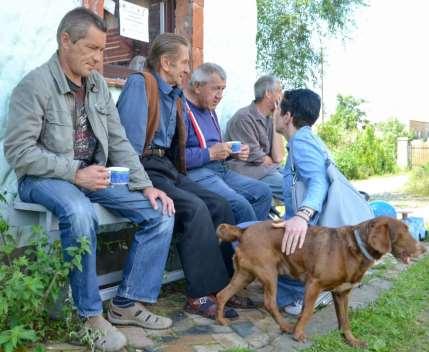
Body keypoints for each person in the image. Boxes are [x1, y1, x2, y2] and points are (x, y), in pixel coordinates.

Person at [4, 7, 175, 351]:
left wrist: (145, 184)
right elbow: (19, 152)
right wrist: (75, 173)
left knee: (159, 212)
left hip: (92, 176)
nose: (98, 59)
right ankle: (89, 316)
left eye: (102, 50)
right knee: (79, 212)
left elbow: (120, 141)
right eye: (92, 49)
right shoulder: (35, 85)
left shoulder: (96, 86)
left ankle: (126, 302)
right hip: (43, 179)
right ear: (65, 41)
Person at [117, 33, 251, 320]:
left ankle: (227, 288)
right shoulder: (141, 85)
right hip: (143, 167)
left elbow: (175, 148)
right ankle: (199, 293)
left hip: (165, 167)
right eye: (184, 62)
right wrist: (141, 184)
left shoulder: (175, 96)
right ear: (165, 62)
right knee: (194, 208)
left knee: (220, 206)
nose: (188, 69)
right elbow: (127, 146)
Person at [184, 63, 272, 224]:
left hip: (219, 170)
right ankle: (246, 246)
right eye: (215, 88)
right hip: (196, 172)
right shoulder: (181, 110)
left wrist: (231, 151)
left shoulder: (210, 110)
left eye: (223, 89)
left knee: (263, 192)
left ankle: (246, 241)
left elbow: (214, 148)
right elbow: (175, 156)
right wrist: (210, 153)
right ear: (197, 86)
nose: (219, 95)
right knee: (240, 205)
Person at [272, 88, 332, 316]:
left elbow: (319, 182)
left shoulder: (302, 141)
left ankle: (309, 290)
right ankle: (317, 284)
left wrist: (301, 216)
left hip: (312, 236)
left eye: (278, 109)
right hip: (317, 235)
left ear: (288, 117)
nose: (274, 114)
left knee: (243, 235)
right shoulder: (308, 139)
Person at [225, 75, 285, 200]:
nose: (282, 95)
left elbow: (278, 157)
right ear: (268, 93)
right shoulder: (243, 118)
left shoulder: (271, 118)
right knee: (291, 188)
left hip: (268, 170)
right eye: (279, 90)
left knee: (301, 182)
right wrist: (268, 159)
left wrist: (275, 120)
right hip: (249, 173)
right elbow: (261, 159)